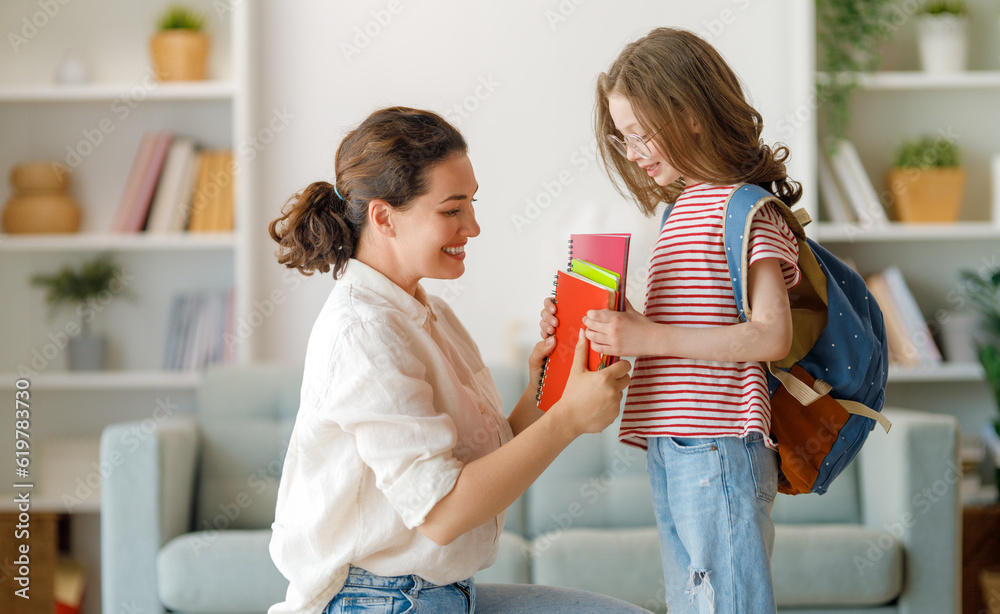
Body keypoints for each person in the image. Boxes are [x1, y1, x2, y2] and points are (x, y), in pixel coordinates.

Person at [266, 106, 648, 614]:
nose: (473, 226)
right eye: (452, 210)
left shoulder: (428, 313)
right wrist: (567, 421)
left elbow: (478, 466)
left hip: (435, 593)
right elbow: (442, 512)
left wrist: (546, 393)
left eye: (471, 204)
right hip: (374, 602)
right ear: (383, 217)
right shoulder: (363, 333)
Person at [539, 28, 802, 613]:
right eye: (622, 137)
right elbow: (683, 325)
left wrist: (644, 334)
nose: (631, 152)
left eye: (639, 133)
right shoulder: (680, 210)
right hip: (673, 438)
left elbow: (771, 335)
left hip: (718, 439)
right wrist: (611, 319)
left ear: (691, 114)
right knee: (697, 602)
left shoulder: (744, 208)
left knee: (727, 601)